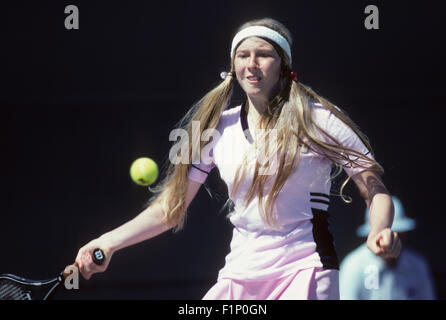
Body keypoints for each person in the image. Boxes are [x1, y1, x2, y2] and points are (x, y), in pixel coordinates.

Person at [70, 17, 401, 300]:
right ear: (233, 65)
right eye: (243, 55)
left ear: (285, 67)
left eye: (263, 55)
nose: (251, 63)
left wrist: (379, 229)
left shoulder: (321, 120)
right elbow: (170, 210)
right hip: (239, 276)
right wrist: (107, 242)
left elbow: (374, 187)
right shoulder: (215, 128)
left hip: (306, 270)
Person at [339, 196, 436, 300]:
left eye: (395, 234)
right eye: (383, 236)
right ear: (371, 235)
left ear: (404, 234)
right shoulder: (353, 266)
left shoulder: (418, 265)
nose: (389, 242)